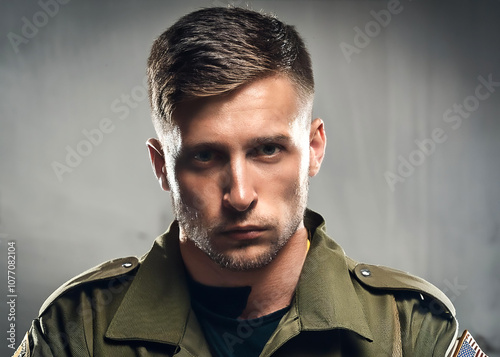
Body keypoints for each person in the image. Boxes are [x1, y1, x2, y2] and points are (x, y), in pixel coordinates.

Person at [14, 6, 486, 357]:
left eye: (267, 150)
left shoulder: (410, 328)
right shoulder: (76, 329)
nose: (240, 195)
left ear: (314, 148)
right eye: (204, 156)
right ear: (162, 167)